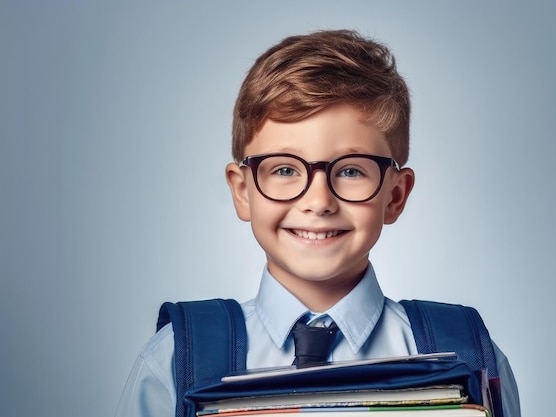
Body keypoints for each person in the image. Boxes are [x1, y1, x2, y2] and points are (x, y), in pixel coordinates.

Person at [115, 29, 521, 417]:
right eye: (285, 169)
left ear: (395, 196)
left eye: (351, 171)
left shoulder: (467, 355)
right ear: (242, 191)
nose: (318, 201)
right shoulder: (173, 358)